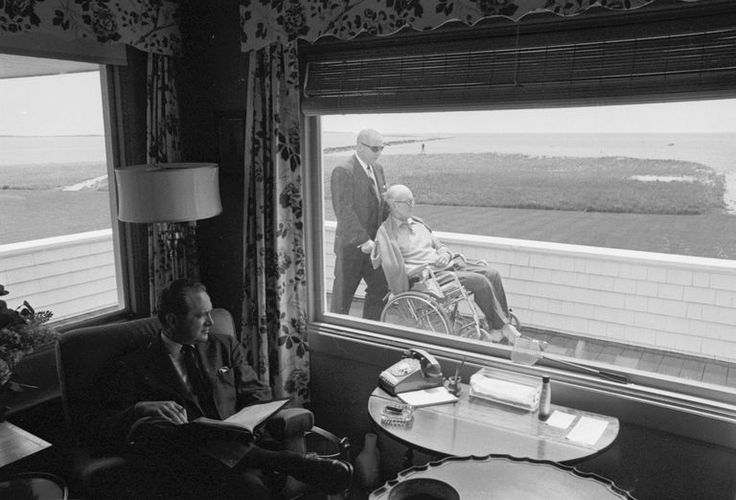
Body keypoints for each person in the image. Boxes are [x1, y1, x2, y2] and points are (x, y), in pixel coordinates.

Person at [95, 279, 352, 498]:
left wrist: (244, 423)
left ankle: (268, 459)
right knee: (152, 428)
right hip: (184, 462)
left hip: (234, 448)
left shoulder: (225, 347)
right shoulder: (135, 365)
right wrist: (141, 408)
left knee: (245, 485)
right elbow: (104, 426)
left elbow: (258, 394)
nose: (210, 321)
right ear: (172, 320)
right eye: (200, 315)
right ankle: (287, 462)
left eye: (210, 312)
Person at [371, 184, 521, 343]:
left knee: (492, 273)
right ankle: (504, 328)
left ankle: (498, 328)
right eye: (407, 202)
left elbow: (440, 246)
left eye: (412, 201)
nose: (412, 205)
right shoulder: (387, 233)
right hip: (428, 277)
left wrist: (443, 254)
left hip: (446, 265)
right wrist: (424, 267)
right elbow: (393, 267)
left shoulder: (419, 224)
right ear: (394, 205)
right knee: (481, 282)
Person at [330, 128, 390, 320]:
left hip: (374, 249)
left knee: (380, 289)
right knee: (342, 299)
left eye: (381, 148)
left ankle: (370, 332)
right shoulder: (343, 171)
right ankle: (336, 341)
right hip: (351, 249)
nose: (379, 152)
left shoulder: (378, 169)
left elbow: (382, 205)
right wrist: (363, 240)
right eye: (375, 148)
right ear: (359, 146)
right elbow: (344, 211)